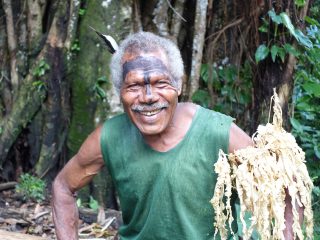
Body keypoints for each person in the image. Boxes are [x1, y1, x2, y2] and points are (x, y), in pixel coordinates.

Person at [52, 31, 299, 240]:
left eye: (161, 83)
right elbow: (63, 186)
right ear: (120, 92)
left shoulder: (217, 132)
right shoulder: (109, 137)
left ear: (179, 86)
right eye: (134, 86)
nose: (148, 97)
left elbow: (286, 189)